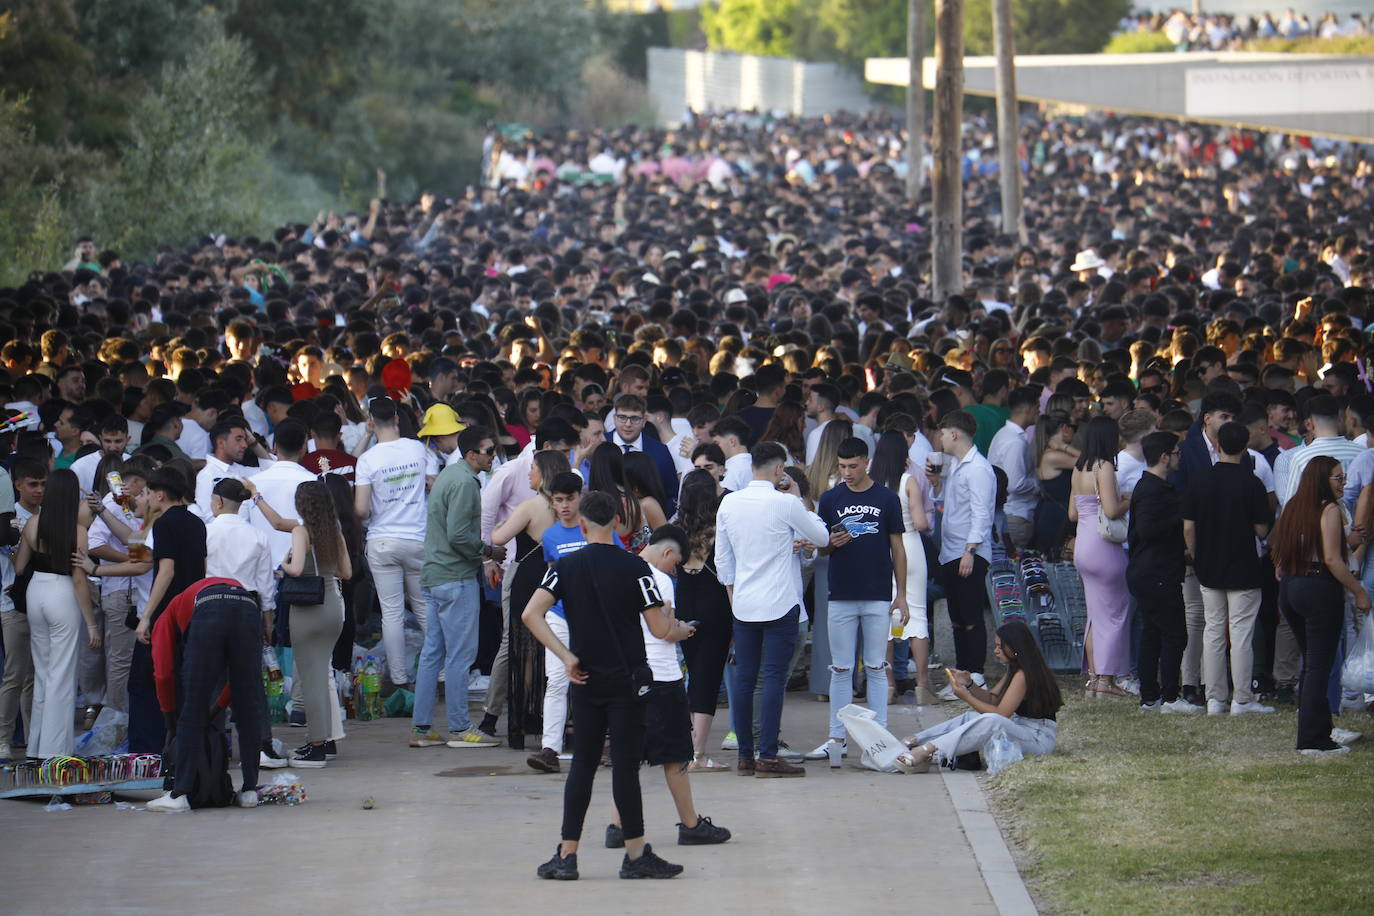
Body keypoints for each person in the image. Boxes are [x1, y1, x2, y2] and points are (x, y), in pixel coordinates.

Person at [521, 490, 684, 881]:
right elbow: (660, 629)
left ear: (581, 523)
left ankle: (567, 854)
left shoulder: (564, 565)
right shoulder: (636, 569)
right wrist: (680, 625)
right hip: (628, 681)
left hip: (585, 678)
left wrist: (566, 656)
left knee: (582, 766)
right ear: (616, 523)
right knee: (625, 768)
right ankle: (635, 855)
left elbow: (531, 613)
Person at [602, 526, 731, 849]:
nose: (674, 572)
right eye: (675, 565)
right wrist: (683, 630)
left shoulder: (621, 573)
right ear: (667, 553)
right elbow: (663, 630)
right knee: (676, 756)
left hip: (630, 676)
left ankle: (618, 825)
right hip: (661, 675)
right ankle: (690, 824)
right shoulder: (658, 581)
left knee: (629, 755)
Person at [715, 442, 828, 777]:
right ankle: (766, 755)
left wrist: (735, 600)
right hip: (780, 602)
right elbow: (821, 537)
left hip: (744, 604)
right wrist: (797, 498)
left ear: (753, 467)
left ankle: (746, 756)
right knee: (774, 679)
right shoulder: (785, 503)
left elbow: (724, 562)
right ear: (780, 470)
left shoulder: (729, 503)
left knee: (746, 679)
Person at [807, 437, 907, 761]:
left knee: (877, 667)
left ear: (866, 462)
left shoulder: (887, 499)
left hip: (878, 594)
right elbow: (821, 545)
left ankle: (880, 740)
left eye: (853, 466)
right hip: (841, 593)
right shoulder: (831, 498)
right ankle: (837, 739)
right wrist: (830, 543)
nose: (847, 472)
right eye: (842, 466)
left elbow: (898, 548)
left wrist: (901, 595)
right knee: (841, 669)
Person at [1271, 457, 1371, 756]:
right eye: (1338, 478)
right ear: (1321, 481)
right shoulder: (1327, 510)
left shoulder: (1293, 507)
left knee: (1313, 665)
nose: (1344, 483)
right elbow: (1331, 559)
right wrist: (1359, 591)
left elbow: (1280, 552)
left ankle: (1320, 730)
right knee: (1319, 665)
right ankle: (1313, 740)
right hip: (1318, 587)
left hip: (1292, 586)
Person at [410, 426, 500, 751]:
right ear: (472, 454)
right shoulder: (463, 482)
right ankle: (460, 728)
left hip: (436, 575)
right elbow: (459, 536)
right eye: (489, 451)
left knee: (433, 653)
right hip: (454, 577)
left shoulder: (451, 476)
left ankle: (422, 729)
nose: (494, 456)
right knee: (460, 655)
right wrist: (488, 552)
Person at [145, 577, 267, 811]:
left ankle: (179, 794)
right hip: (249, 604)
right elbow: (239, 683)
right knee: (248, 702)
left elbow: (163, 673)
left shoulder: (167, 614)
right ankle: (250, 790)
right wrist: (217, 709)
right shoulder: (211, 590)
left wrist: (171, 721)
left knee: (194, 702)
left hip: (209, 608)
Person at [1183, 421, 1275, 716]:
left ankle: (1215, 699)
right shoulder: (1252, 483)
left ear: (1218, 445)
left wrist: (1198, 557)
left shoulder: (1199, 481)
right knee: (1241, 635)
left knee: (1212, 631)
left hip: (1209, 567)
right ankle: (1242, 698)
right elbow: (1263, 530)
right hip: (1244, 567)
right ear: (1245, 446)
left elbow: (1188, 528)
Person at [13, 468, 100, 758]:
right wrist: (91, 624)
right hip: (62, 593)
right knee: (62, 676)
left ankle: (36, 747)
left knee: (43, 672)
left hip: (36, 590)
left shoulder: (33, 523)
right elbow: (79, 579)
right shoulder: (78, 532)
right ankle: (55, 753)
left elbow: (19, 567)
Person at [897, 621, 1063, 771]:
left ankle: (928, 750)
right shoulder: (1015, 668)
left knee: (992, 721)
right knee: (971, 716)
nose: (996, 651)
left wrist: (966, 697)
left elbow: (1000, 715)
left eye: (1000, 647)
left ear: (1014, 648)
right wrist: (969, 684)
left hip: (1038, 739)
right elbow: (992, 699)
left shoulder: (1024, 674)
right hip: (1022, 728)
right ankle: (916, 741)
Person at [354, 396, 429, 689]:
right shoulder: (418, 449)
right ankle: (443, 672)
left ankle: (399, 678)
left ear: (371, 421)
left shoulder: (368, 460)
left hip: (382, 541)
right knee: (424, 608)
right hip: (417, 538)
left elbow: (361, 510)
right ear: (397, 418)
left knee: (392, 612)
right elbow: (433, 483)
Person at [276, 481, 353, 766]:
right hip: (332, 605)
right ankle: (325, 741)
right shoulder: (335, 532)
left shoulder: (301, 531)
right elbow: (347, 572)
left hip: (307, 610)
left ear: (302, 505)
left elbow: (295, 569)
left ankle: (317, 745)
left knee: (312, 681)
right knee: (321, 675)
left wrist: (282, 563)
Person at [1127, 432, 1198, 713]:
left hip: (1150, 570)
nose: (1180, 457)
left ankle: (1150, 696)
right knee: (1174, 634)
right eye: (1177, 453)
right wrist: (1178, 518)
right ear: (1165, 456)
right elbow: (1146, 530)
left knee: (1153, 633)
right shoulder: (1152, 490)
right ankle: (1168, 696)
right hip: (1155, 570)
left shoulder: (1152, 487)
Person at [673, 470, 734, 771]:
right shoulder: (719, 528)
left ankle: (689, 747)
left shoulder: (677, 530)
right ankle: (697, 753)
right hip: (716, 606)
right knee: (707, 679)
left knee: (694, 674)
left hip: (685, 603)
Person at [932, 410, 996, 684]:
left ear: (954, 434)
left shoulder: (979, 468)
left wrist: (970, 550)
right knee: (956, 618)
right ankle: (962, 673)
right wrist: (936, 484)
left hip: (968, 551)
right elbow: (949, 505)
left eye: (944, 434)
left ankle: (976, 672)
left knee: (971, 616)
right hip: (951, 550)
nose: (941, 439)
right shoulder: (957, 465)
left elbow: (982, 514)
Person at [1068, 416, 1131, 698]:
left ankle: (1095, 679)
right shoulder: (1104, 467)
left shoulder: (1078, 468)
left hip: (1083, 543)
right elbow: (1112, 509)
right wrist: (1130, 498)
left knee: (1096, 615)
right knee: (1115, 613)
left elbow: (1072, 514)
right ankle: (1106, 680)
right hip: (1104, 545)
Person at [605, 394, 679, 517]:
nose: (628, 424)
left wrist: (656, 520)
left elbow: (672, 494)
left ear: (644, 421)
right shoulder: (601, 445)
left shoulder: (660, 451)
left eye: (634, 418)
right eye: (622, 417)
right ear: (614, 419)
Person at [988, 386, 1040, 553]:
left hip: (1010, 513)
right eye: (1037, 407)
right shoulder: (1015, 442)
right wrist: (1038, 484)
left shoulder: (1004, 434)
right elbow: (1015, 484)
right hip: (1017, 514)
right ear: (1027, 409)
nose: (1039, 411)